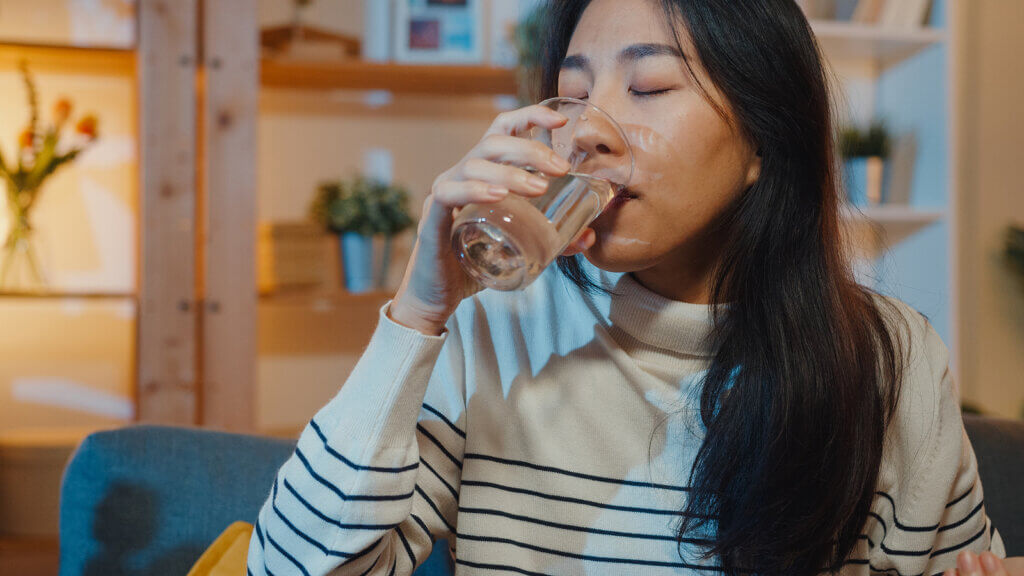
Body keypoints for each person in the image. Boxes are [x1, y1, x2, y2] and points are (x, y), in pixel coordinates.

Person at [246, 1, 1022, 574]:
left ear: (763, 139)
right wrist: (418, 314)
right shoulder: (496, 329)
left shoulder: (893, 358)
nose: (589, 129)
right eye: (573, 95)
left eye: (649, 87)